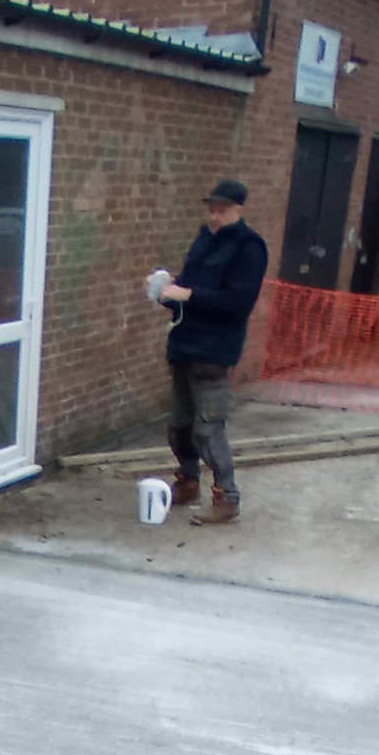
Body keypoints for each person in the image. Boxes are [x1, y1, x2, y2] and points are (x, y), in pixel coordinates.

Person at [156, 179, 269, 526]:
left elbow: (236, 304)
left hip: (214, 350)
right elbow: (188, 286)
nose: (215, 215)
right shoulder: (204, 239)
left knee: (208, 428)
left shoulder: (250, 247)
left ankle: (227, 497)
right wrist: (164, 291)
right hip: (184, 345)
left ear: (239, 209)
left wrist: (187, 295)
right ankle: (188, 481)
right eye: (212, 208)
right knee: (179, 426)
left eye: (222, 209)